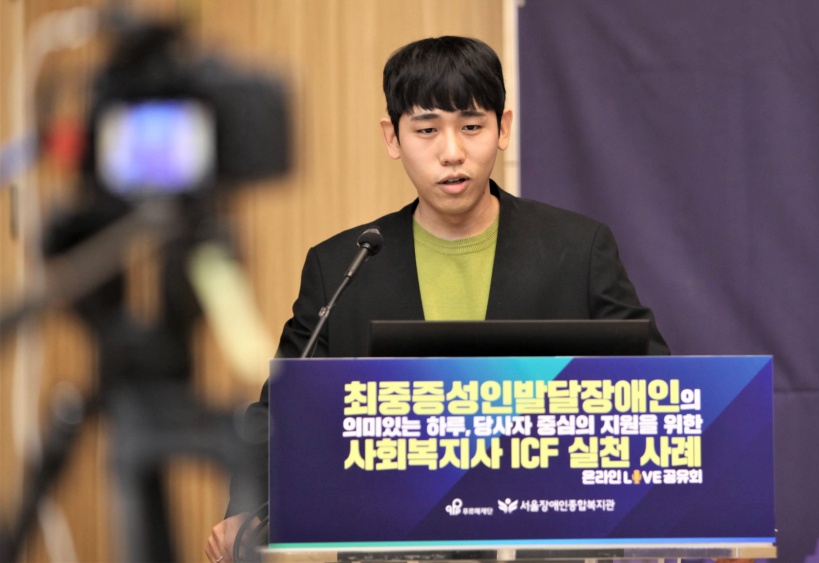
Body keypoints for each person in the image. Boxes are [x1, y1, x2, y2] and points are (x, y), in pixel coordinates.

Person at [205, 35, 668, 563]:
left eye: (472, 126)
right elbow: (283, 411)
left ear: (503, 128)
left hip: (548, 538)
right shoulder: (342, 264)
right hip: (385, 544)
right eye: (427, 130)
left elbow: (652, 385)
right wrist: (246, 509)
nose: (452, 152)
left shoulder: (579, 248)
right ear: (393, 137)